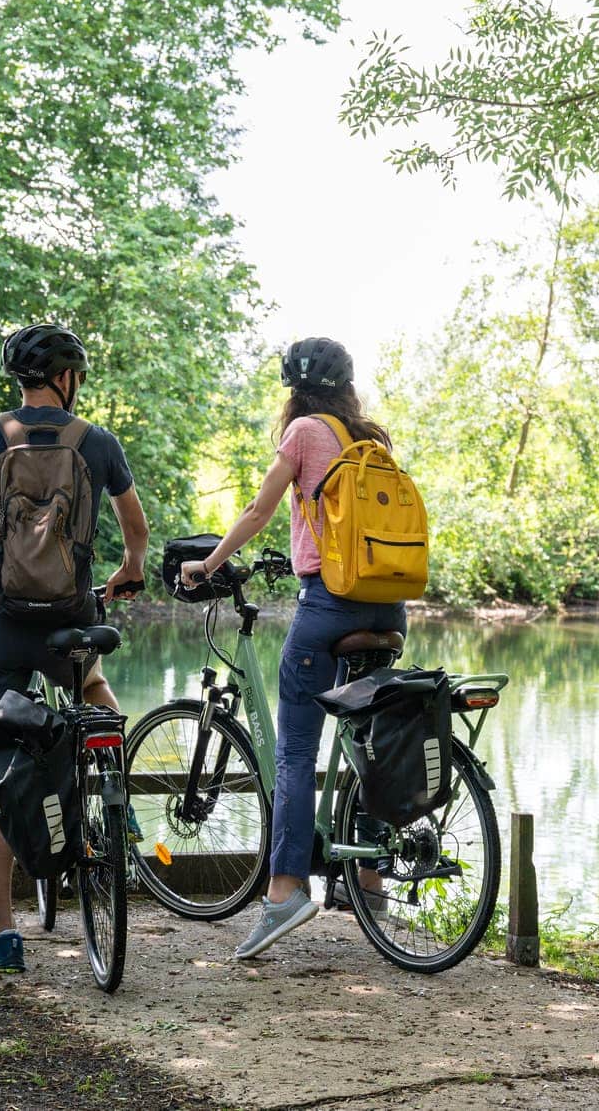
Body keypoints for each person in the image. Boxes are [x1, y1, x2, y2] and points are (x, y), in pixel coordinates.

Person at [181, 335, 406, 960]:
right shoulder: (371, 440)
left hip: (328, 605)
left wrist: (209, 563)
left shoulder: (305, 432)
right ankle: (368, 880)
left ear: (295, 388)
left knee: (295, 750)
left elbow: (259, 510)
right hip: (390, 608)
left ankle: (285, 892)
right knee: (366, 740)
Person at [0, 322, 148, 972]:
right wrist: (128, 569)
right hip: (67, 619)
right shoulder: (96, 441)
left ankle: (3, 936)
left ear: (22, 381)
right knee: (90, 688)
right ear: (69, 378)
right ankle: (117, 794)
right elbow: (135, 528)